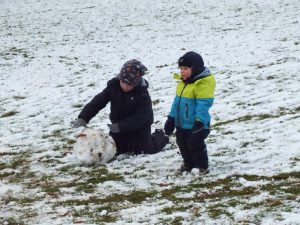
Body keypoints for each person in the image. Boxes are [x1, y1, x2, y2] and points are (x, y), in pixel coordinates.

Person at [71, 59, 169, 155]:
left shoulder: (142, 94)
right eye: (123, 82)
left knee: (144, 149)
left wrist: (120, 126)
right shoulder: (113, 87)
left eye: (129, 84)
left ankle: (159, 135)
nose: (125, 86)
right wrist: (83, 117)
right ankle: (128, 143)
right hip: (118, 127)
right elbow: (98, 102)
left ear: (136, 83)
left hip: (139, 128)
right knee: (115, 149)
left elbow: (141, 117)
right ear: (120, 78)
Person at [164, 51, 216, 174]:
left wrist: (200, 122)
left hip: (196, 124)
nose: (182, 71)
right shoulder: (183, 83)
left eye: (185, 68)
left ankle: (201, 166)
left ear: (196, 69)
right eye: (181, 68)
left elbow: (203, 106)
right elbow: (176, 104)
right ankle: (188, 163)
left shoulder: (202, 84)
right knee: (182, 144)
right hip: (181, 123)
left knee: (195, 144)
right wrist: (171, 119)